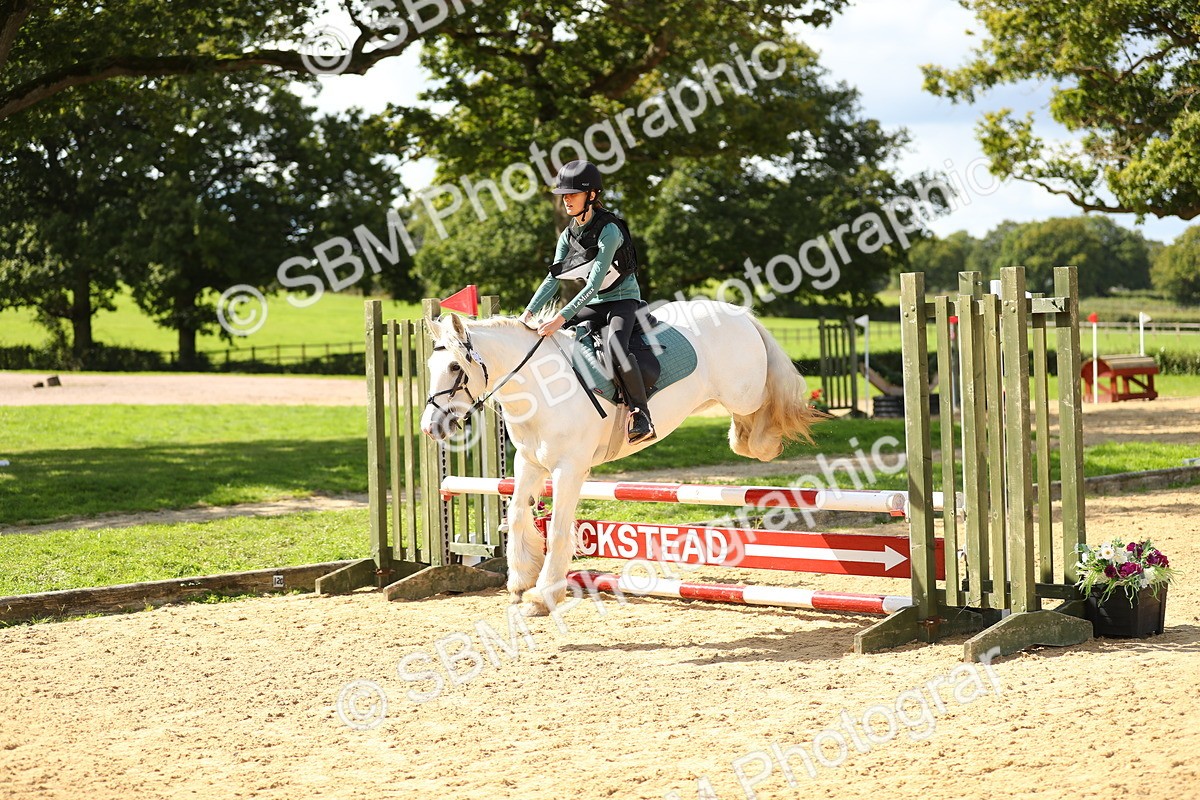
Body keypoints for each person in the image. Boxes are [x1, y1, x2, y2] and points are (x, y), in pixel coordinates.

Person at [520, 160, 656, 444]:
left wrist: (561, 316)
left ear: (591, 195)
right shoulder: (568, 234)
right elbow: (552, 279)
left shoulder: (610, 229)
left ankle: (641, 414)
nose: (566, 199)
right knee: (553, 339)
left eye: (572, 194)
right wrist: (528, 313)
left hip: (622, 301)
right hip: (596, 303)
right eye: (564, 195)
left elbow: (594, 284)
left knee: (616, 347)